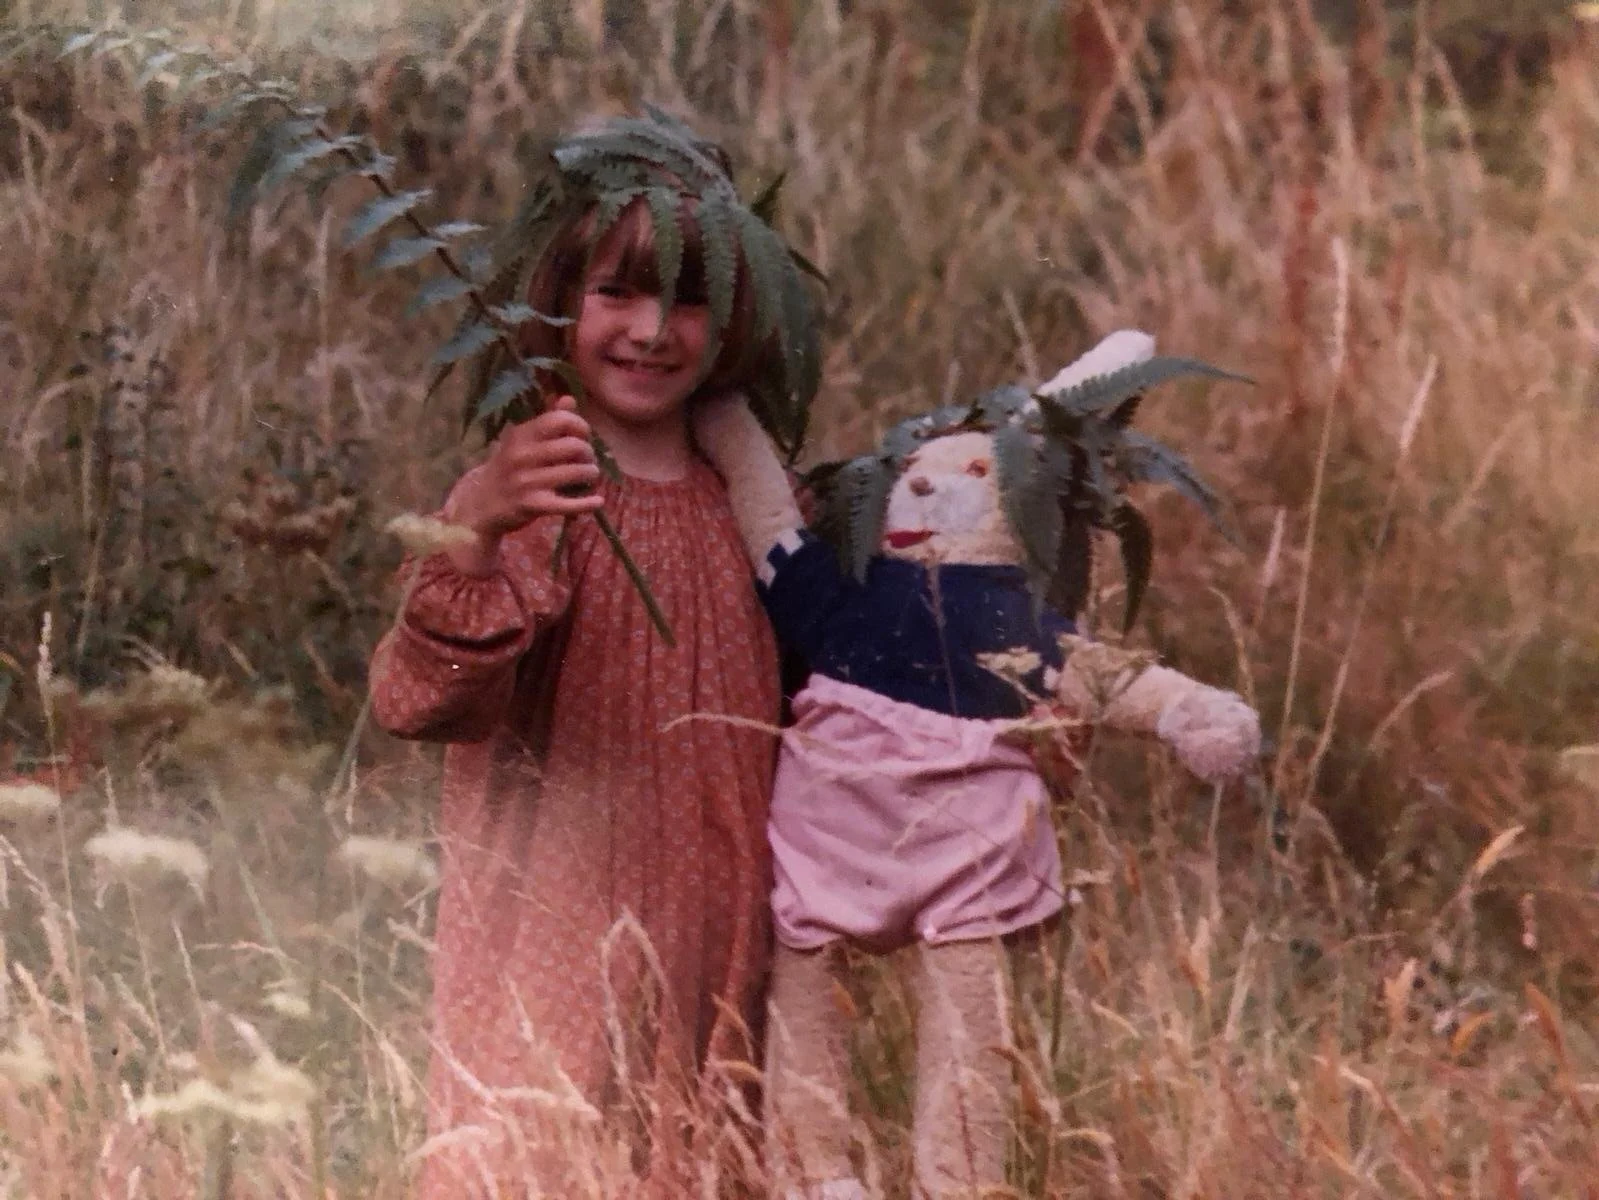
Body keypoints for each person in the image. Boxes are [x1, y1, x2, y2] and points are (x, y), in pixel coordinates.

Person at [368, 124, 802, 1194]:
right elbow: (421, 701)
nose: (652, 331)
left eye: (690, 300)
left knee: (704, 1155)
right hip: (553, 950)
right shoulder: (539, 484)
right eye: (617, 291)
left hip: (717, 950)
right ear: (557, 295)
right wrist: (476, 521)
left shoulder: (748, 506)